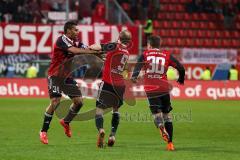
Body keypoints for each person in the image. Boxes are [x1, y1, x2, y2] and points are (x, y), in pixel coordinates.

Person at [39, 21, 102, 145]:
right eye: (75, 30)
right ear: (68, 31)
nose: (77, 32)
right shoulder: (61, 40)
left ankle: (66, 122)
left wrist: (100, 52)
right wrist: (92, 53)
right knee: (55, 102)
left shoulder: (76, 42)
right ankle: (43, 131)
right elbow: (76, 51)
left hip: (67, 77)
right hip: (56, 76)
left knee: (79, 102)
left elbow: (89, 48)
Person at [131, 35, 185, 151]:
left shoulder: (145, 54)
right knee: (167, 116)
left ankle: (160, 126)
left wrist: (134, 77)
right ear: (159, 45)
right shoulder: (166, 55)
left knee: (157, 115)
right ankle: (170, 144)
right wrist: (181, 79)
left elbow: (137, 68)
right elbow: (181, 67)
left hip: (151, 89)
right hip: (164, 88)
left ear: (149, 45)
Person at [92, 30, 132, 148]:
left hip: (108, 82)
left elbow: (97, 47)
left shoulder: (114, 45)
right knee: (116, 110)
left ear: (119, 37)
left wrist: (88, 48)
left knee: (99, 109)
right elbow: (123, 67)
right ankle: (112, 135)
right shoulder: (126, 52)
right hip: (120, 85)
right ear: (129, 41)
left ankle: (101, 130)